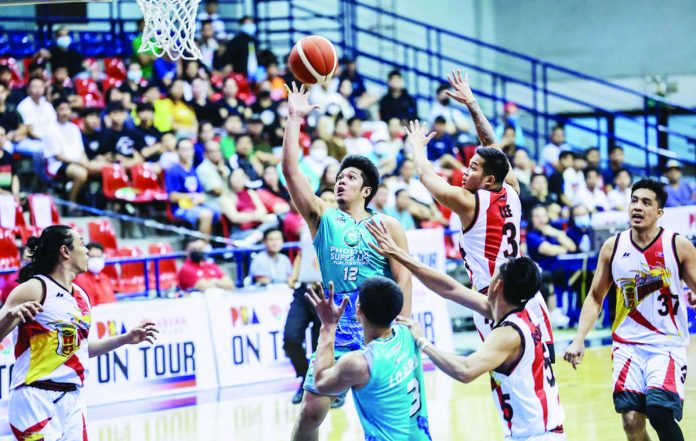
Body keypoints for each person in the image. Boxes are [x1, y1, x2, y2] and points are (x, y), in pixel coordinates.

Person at [281, 82, 412, 440]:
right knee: (311, 412)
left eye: (350, 177)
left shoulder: (388, 225)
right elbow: (291, 171)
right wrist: (294, 118)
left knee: (389, 419)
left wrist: (406, 325)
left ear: (367, 190)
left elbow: (404, 279)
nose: (341, 182)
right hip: (336, 327)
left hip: (378, 330)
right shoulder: (323, 217)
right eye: (339, 177)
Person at [405, 69, 553, 346]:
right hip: (530, 295)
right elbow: (492, 146)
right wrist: (472, 104)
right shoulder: (512, 189)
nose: (464, 172)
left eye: (472, 168)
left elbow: (427, 177)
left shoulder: (468, 201)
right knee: (539, 366)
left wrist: (416, 146)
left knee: (504, 375)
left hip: (494, 298)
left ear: (488, 179)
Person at [564, 179, 696, 441]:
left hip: (666, 343)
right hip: (627, 344)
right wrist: (579, 338)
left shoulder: (677, 245)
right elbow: (594, 296)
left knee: (659, 411)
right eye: (634, 200)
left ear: (659, 212)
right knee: (631, 422)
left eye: (646, 202)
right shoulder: (612, 246)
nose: (637, 207)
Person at [0, 225, 158, 439]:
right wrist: (10, 317)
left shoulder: (81, 296)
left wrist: (125, 338)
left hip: (73, 400)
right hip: (34, 399)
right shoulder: (35, 289)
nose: (87, 252)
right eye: (82, 244)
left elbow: (80, 348)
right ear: (65, 251)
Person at [305, 278, 431, 440]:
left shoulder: (358, 363)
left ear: (358, 310)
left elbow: (321, 383)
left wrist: (328, 326)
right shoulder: (411, 332)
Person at [284, 213, 322, 405]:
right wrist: (294, 275)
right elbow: (301, 253)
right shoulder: (307, 228)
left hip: (325, 292)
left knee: (320, 345)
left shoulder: (340, 231)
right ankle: (305, 377)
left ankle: (330, 389)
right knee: (290, 339)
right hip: (303, 290)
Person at [526, 205, 575, 328]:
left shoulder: (552, 232)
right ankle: (553, 313)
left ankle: (571, 313)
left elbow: (572, 247)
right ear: (531, 219)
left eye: (543, 216)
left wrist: (557, 233)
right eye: (537, 216)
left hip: (559, 270)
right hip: (542, 272)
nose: (541, 219)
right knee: (548, 279)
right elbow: (549, 250)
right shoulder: (531, 236)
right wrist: (564, 249)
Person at [165, 139, 219, 235]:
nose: (187, 153)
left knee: (217, 210)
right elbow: (172, 196)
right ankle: (204, 244)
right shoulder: (172, 170)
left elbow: (200, 193)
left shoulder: (193, 170)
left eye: (190, 149)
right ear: (177, 151)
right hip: (180, 207)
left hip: (196, 204)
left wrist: (200, 198)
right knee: (206, 215)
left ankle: (204, 240)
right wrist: (190, 197)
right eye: (184, 149)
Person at [16, 76, 56, 155]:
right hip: (31, 140)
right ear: (28, 89)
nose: (38, 89)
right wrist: (47, 140)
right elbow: (31, 132)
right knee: (42, 149)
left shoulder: (48, 105)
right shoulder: (23, 106)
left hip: (49, 138)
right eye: (34, 86)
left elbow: (54, 124)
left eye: (40, 86)